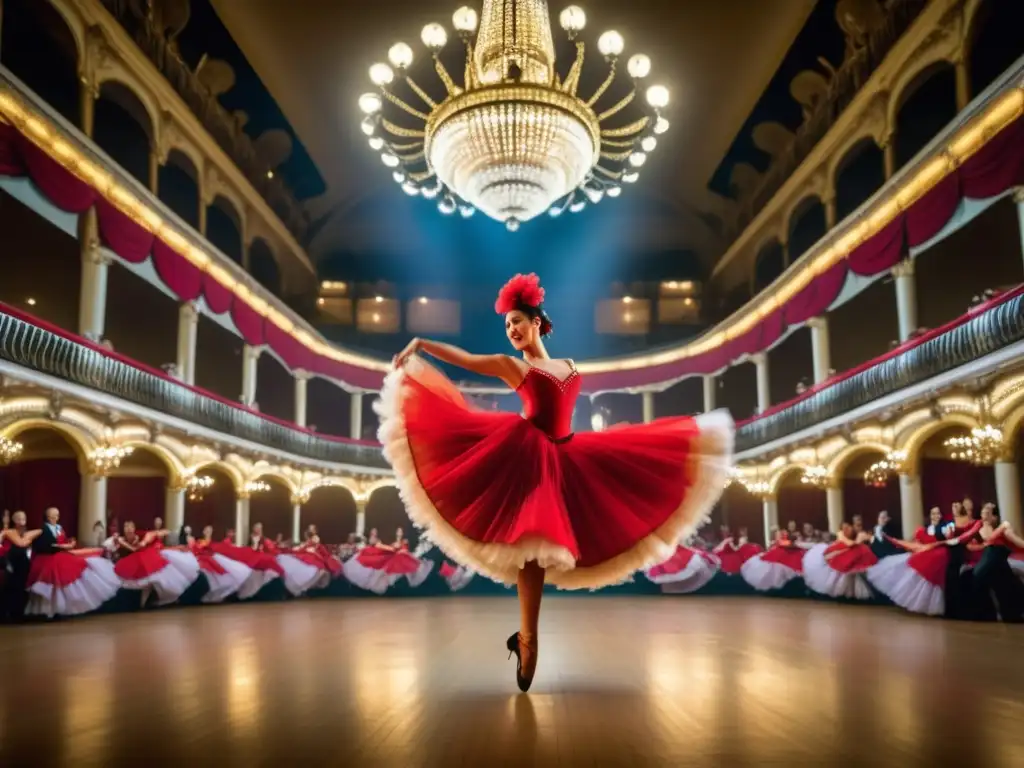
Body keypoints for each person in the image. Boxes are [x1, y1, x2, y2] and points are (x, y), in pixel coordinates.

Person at [382, 273, 733, 691]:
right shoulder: (514, 367)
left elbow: (562, 411)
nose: (511, 330)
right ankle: (528, 638)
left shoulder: (568, 367)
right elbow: (465, 360)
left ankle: (526, 637)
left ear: (536, 322)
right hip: (527, 454)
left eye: (517, 322)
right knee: (532, 549)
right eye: (507, 325)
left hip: (567, 453)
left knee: (577, 534)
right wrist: (421, 345)